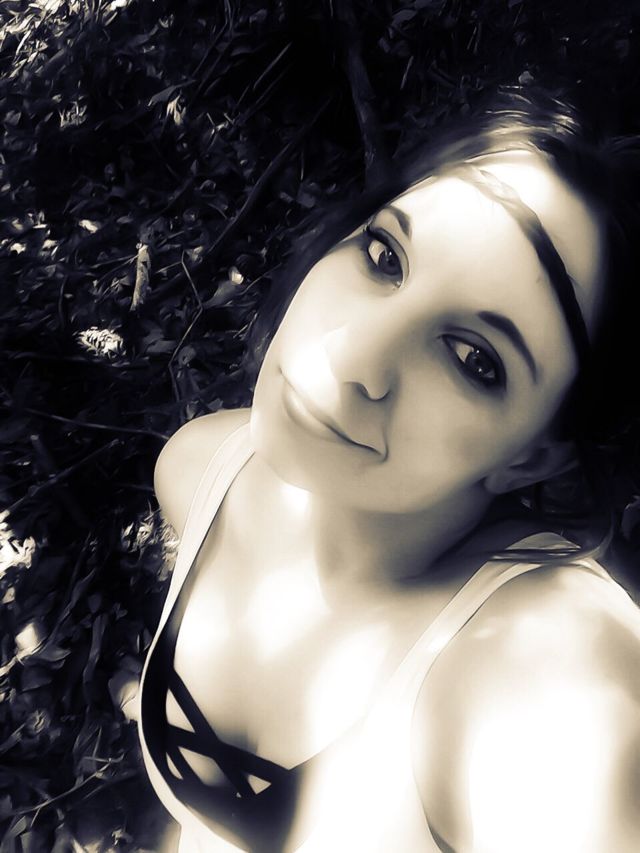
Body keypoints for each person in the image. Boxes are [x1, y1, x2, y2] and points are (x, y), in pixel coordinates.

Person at [138, 87, 640, 852]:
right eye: (384, 256)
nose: (349, 354)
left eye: (473, 358)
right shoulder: (197, 471)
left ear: (534, 454)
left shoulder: (549, 668)